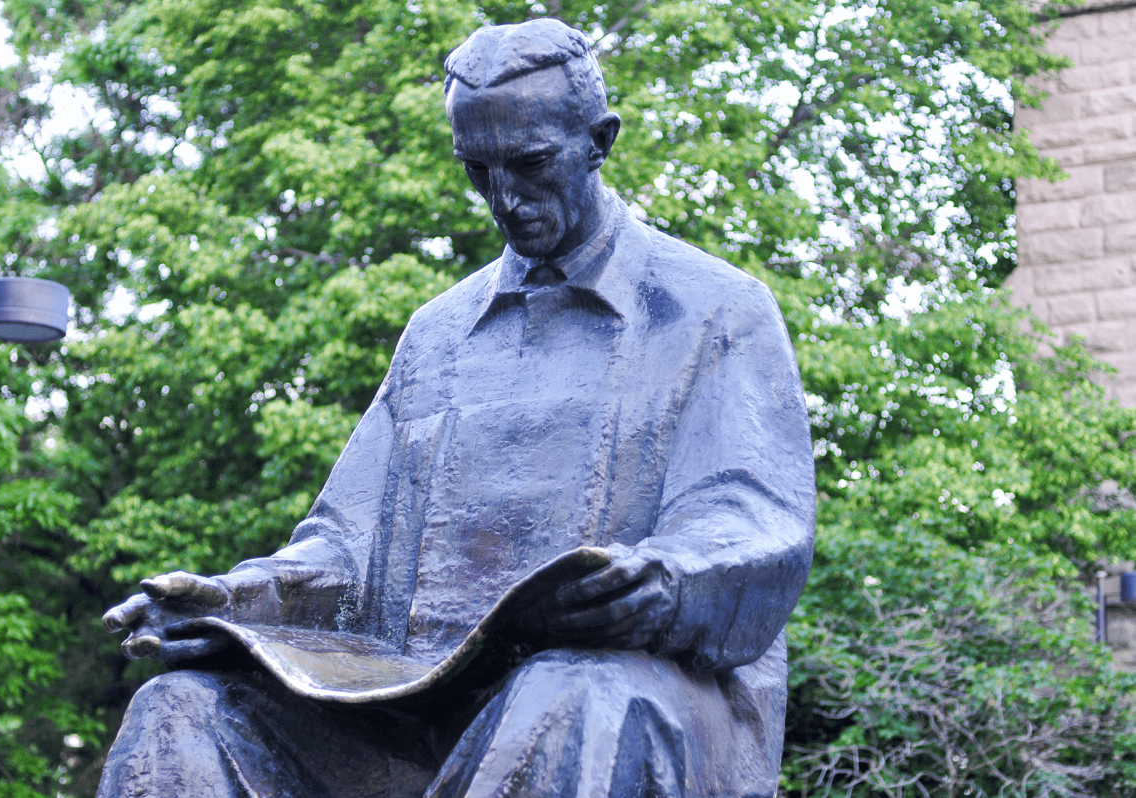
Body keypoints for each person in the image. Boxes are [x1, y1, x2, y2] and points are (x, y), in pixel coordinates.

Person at [97, 18, 815, 798]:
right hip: (413, 711)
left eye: (531, 163)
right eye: (477, 171)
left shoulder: (716, 310)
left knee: (570, 696)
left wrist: (660, 581)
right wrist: (235, 599)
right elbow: (346, 549)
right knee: (180, 709)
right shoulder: (437, 334)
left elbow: (752, 523)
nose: (505, 199)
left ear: (599, 141)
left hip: (632, 695)